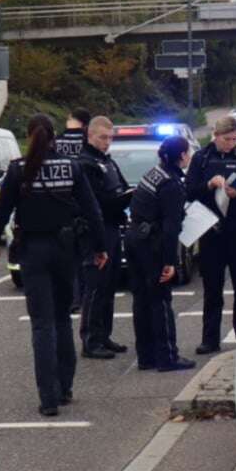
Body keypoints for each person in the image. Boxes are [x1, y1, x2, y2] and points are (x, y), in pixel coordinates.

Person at [0, 114, 107, 417]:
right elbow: (92, 210)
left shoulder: (18, 170)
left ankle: (48, 399)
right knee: (63, 319)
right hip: (66, 250)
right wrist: (100, 247)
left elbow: (1, 211)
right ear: (54, 137)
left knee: (42, 324)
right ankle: (65, 387)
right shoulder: (72, 167)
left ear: (30, 136)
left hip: (32, 251)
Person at [186, 116, 236, 354]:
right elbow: (189, 190)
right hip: (211, 230)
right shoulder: (202, 158)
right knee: (212, 287)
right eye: (227, 139)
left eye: (234, 139)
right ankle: (209, 338)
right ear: (216, 136)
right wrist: (209, 185)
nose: (231, 144)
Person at [127, 136, 196, 372]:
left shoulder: (154, 173)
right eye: (187, 152)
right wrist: (170, 262)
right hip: (152, 246)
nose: (189, 156)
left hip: (134, 239)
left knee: (141, 301)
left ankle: (145, 356)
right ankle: (167, 357)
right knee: (160, 301)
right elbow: (171, 227)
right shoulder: (171, 184)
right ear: (181, 156)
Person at [76, 116, 132, 359]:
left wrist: (127, 196)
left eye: (110, 138)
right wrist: (120, 199)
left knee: (109, 285)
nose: (107, 142)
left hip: (111, 226)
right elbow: (95, 201)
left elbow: (120, 186)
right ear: (90, 135)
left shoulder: (106, 161)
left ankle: (104, 335)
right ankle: (90, 339)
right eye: (102, 137)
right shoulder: (85, 163)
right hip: (93, 231)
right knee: (96, 286)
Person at [56, 108, 91, 311]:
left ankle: (70, 298)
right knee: (84, 256)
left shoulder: (58, 141)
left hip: (62, 204)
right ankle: (83, 297)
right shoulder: (87, 141)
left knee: (67, 257)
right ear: (85, 125)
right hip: (83, 203)